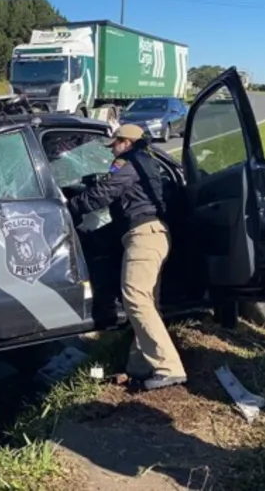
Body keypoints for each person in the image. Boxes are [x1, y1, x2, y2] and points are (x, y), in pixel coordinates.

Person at [67, 123, 186, 391]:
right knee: (147, 303)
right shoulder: (146, 162)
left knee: (135, 298)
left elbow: (104, 193)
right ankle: (141, 367)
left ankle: (170, 368)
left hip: (143, 235)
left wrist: (69, 208)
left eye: (115, 145)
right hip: (153, 234)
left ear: (127, 142)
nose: (113, 153)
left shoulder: (128, 163)